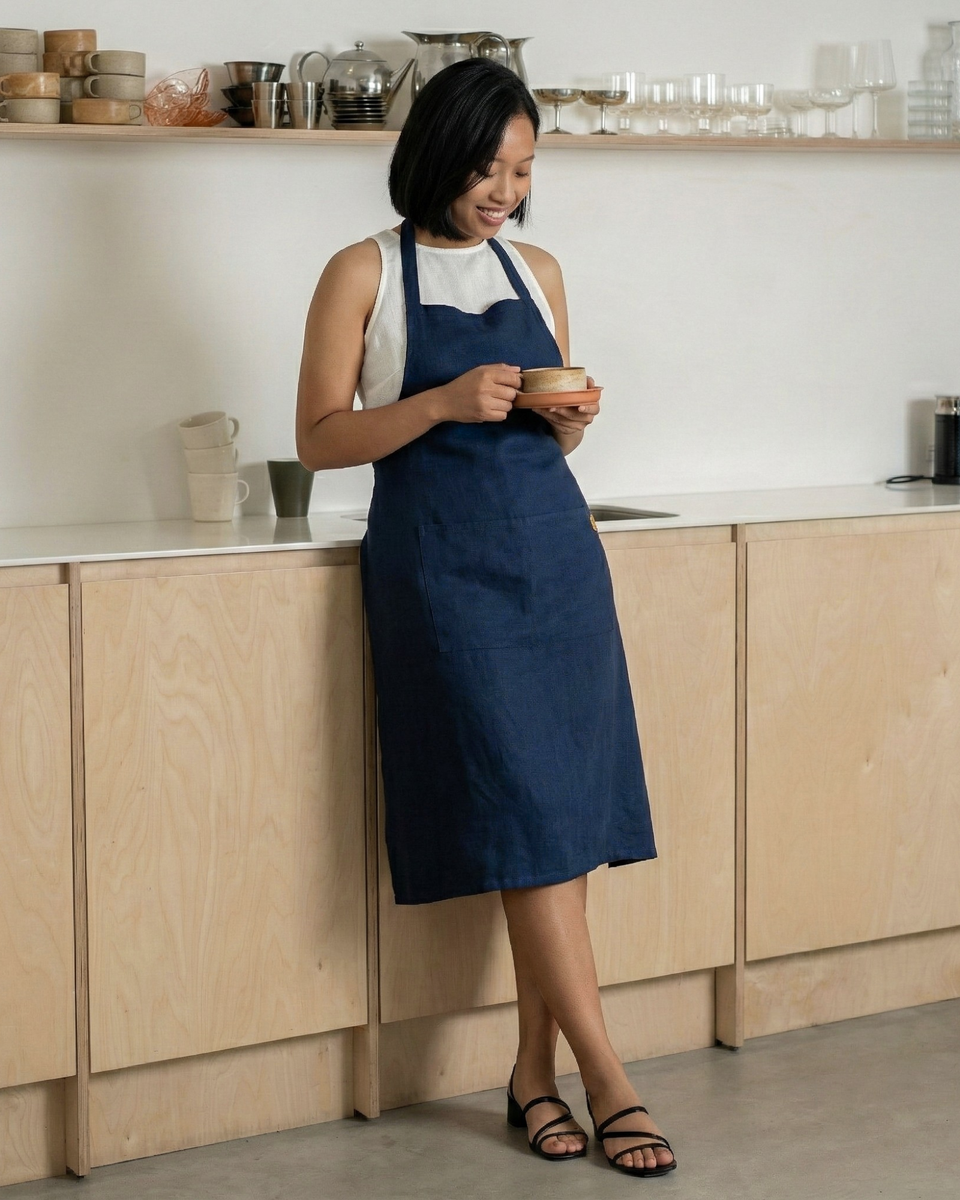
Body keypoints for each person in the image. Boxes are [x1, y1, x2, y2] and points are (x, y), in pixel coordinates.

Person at [296, 58, 675, 1178]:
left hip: (556, 559)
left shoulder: (538, 270)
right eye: (487, 170)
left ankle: (532, 1075)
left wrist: (572, 422)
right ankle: (611, 1078)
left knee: (556, 828)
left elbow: (556, 437)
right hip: (443, 574)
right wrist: (439, 403)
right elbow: (318, 438)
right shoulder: (362, 271)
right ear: (436, 157)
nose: (507, 192)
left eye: (524, 170)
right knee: (524, 813)